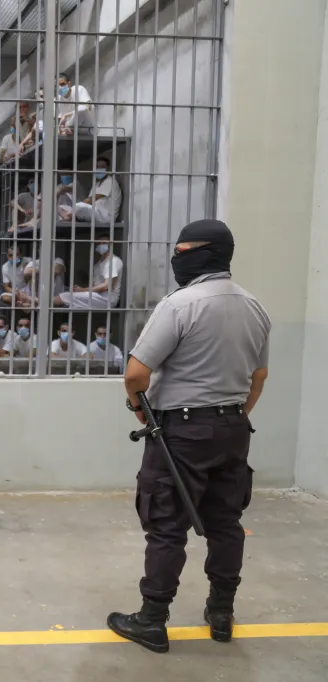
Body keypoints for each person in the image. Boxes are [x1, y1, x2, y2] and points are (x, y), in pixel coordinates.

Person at [109, 219, 271, 653]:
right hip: (234, 427)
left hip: (180, 430)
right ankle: (221, 612)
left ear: (203, 253)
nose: (176, 258)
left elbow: (136, 374)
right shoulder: (255, 307)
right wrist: (233, 416)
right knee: (225, 521)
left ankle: (152, 618)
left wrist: (146, 413)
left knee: (167, 525)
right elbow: (259, 376)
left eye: (182, 251)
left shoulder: (181, 305)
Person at [56, 233, 123, 308]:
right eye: (98, 244)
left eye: (104, 243)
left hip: (107, 298)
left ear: (111, 244)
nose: (101, 245)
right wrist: (80, 290)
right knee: (67, 295)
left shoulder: (114, 261)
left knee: (67, 296)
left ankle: (42, 303)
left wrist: (82, 290)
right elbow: (95, 286)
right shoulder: (98, 265)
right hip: (98, 296)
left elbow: (106, 287)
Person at [61, 157, 121, 226]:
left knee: (79, 206)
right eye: (97, 167)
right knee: (62, 207)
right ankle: (71, 216)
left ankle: (69, 216)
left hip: (106, 217)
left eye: (102, 167)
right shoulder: (96, 184)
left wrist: (75, 209)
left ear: (108, 168)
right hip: (96, 213)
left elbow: (92, 199)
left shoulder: (110, 181)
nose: (99, 169)